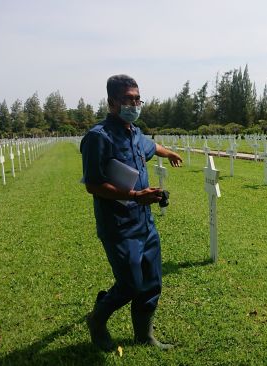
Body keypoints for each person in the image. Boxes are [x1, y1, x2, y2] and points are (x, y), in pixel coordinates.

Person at [80, 74, 182, 351]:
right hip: (118, 225)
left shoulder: (134, 133)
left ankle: (144, 335)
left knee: (151, 282)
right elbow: (93, 184)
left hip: (144, 222)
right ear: (112, 102)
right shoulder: (97, 138)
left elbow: (151, 146)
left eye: (138, 98)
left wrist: (169, 153)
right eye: (129, 99)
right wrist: (136, 196)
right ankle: (97, 319)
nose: (135, 104)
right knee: (129, 284)